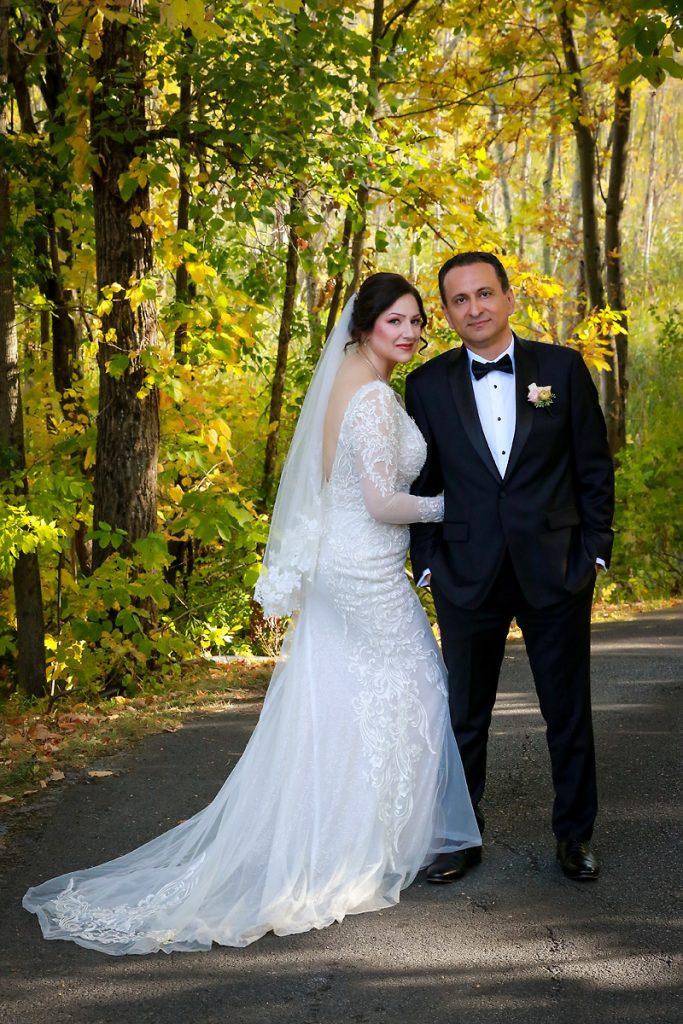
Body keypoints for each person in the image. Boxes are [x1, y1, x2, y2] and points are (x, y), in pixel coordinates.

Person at [23, 273, 479, 954]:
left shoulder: (341, 382)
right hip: (362, 567)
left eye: (417, 321)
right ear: (362, 326)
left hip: (342, 562)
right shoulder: (375, 398)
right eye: (396, 321)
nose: (410, 333)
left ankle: (337, 831)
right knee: (414, 687)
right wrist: (458, 506)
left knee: (339, 700)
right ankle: (356, 843)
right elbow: (383, 502)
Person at [405, 252, 614, 884]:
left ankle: (574, 836)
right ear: (446, 312)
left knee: (567, 711)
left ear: (508, 297)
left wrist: (595, 550)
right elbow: (420, 482)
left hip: (556, 567)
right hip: (467, 572)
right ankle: (461, 840)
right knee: (464, 714)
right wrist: (428, 565)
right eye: (459, 300)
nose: (475, 308)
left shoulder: (563, 368)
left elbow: (594, 467)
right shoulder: (427, 384)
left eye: (484, 294)